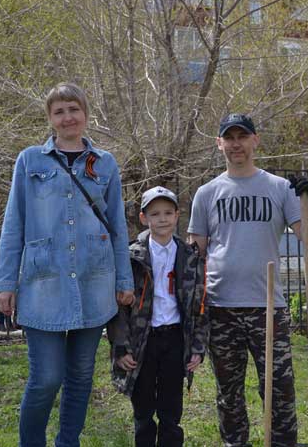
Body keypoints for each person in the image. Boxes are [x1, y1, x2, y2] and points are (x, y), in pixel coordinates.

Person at [0, 82, 135, 447]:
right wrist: (5, 283)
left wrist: (124, 278)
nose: (67, 117)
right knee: (46, 378)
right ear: (50, 119)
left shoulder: (105, 164)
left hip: (94, 283)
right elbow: (14, 224)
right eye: (59, 111)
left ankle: (67, 442)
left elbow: (118, 226)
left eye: (73, 109)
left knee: (80, 376)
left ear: (86, 114)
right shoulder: (30, 161)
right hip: (43, 285)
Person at [188, 113, 308, 447]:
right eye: (229, 138)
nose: (236, 144)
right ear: (219, 143)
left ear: (255, 141)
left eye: (242, 137)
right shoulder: (206, 193)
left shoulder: (279, 188)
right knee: (228, 395)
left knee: (279, 391)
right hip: (221, 308)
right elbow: (193, 253)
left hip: (268, 308)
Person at [107, 186, 209, 447]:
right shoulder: (131, 256)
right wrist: (121, 346)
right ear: (144, 218)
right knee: (142, 408)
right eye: (154, 214)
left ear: (177, 216)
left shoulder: (190, 257)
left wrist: (197, 346)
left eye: (167, 213)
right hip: (144, 341)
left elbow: (200, 305)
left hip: (175, 338)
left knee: (171, 407)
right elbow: (118, 308)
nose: (162, 219)